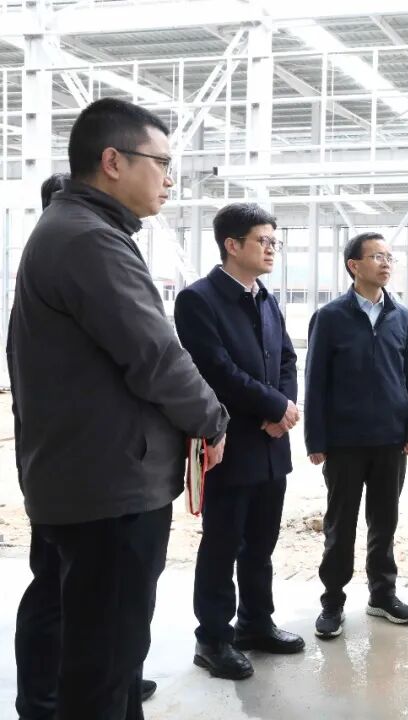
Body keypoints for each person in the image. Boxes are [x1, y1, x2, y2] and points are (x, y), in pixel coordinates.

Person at [9, 97, 229, 719]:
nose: (169, 179)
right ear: (113, 161)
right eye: (161, 163)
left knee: (87, 646)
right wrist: (212, 419)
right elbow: (156, 355)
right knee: (105, 664)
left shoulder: (68, 230)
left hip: (77, 477)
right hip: (110, 491)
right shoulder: (90, 240)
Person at [12, 172, 162, 713]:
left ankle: (101, 686)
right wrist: (210, 418)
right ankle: (43, 699)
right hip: (83, 476)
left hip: (67, 470)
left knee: (86, 605)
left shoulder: (52, 265)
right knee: (62, 597)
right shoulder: (79, 248)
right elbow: (154, 359)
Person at [173, 202, 304, 681]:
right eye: (263, 241)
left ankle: (255, 623)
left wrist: (284, 408)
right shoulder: (198, 300)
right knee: (222, 543)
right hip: (228, 442)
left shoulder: (265, 297)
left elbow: (287, 358)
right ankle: (212, 639)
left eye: (274, 242)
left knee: (261, 543)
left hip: (271, 443)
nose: (271, 249)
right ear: (232, 244)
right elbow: (216, 370)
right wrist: (274, 407)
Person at [305, 232, 408, 638]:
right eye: (376, 256)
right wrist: (316, 439)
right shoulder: (330, 317)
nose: (386, 263)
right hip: (344, 442)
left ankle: (382, 595)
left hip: (391, 440)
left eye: (389, 257)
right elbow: (315, 381)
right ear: (353, 265)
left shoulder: (401, 317)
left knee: (384, 522)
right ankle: (333, 602)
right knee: (340, 525)